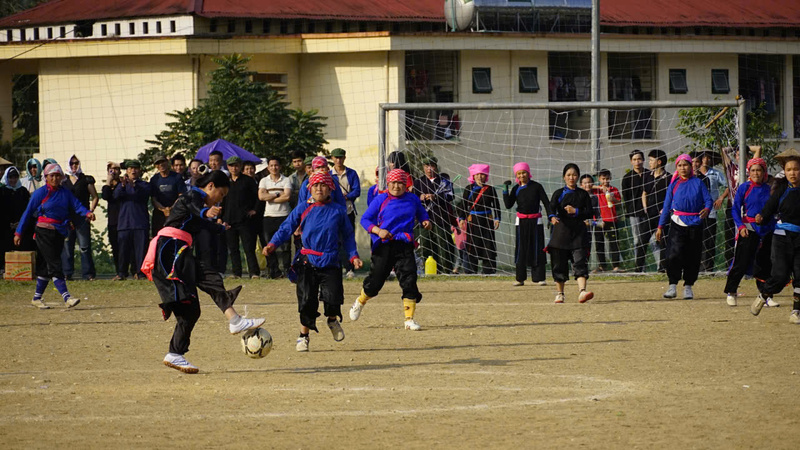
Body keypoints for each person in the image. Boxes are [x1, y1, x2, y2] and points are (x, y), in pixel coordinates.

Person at [141, 170, 265, 374]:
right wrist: (206, 212)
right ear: (211, 187)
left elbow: (200, 223)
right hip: (169, 251)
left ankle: (234, 321)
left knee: (207, 284)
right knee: (191, 304)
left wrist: (220, 227)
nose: (220, 200)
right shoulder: (192, 195)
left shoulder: (195, 206)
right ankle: (176, 352)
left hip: (179, 251)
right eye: (221, 194)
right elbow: (195, 207)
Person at [265, 171, 362, 351]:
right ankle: (303, 336)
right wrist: (273, 243)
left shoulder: (339, 211)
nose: (319, 188)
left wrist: (353, 255)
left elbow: (348, 236)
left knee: (334, 298)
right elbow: (287, 227)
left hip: (331, 260)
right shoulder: (303, 207)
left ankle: (332, 320)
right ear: (310, 188)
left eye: (323, 185)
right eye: (315, 185)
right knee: (307, 300)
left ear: (330, 188)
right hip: (307, 260)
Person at [350, 169, 430, 330]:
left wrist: (425, 221)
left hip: (404, 243)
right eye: (393, 182)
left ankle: (409, 319)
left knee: (409, 279)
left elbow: (422, 213)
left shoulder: (413, 199)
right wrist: (378, 231)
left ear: (406, 184)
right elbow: (365, 220)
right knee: (376, 282)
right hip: (384, 244)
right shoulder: (381, 199)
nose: (396, 186)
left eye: (400, 183)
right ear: (388, 183)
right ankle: (360, 301)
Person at [14, 163, 96, 309]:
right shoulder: (40, 193)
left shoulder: (65, 192)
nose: (55, 178)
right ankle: (67, 297)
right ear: (46, 177)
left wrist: (87, 213)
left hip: (59, 231)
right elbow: (27, 212)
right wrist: (18, 232)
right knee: (55, 263)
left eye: (58, 175)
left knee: (46, 266)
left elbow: (76, 205)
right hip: (43, 232)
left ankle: (36, 298)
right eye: (52, 175)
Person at [751, 148, 800, 323]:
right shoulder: (781, 189)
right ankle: (764, 294)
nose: (792, 173)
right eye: (789, 170)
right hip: (782, 237)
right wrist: (761, 217)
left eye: (796, 169)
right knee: (780, 277)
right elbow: (770, 207)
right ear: (784, 172)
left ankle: (796, 312)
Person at [654, 154, 713, 300]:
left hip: (695, 223)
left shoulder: (699, 183)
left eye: (685, 165)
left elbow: (708, 200)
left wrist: (706, 209)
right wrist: (660, 226)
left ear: (690, 166)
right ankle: (672, 285)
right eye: (679, 165)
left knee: (692, 256)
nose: (683, 168)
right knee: (673, 254)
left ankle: (688, 286)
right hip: (677, 221)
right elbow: (667, 205)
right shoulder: (674, 184)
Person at [724, 158, 775, 307]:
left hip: (767, 229)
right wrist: (740, 226)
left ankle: (766, 295)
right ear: (748, 172)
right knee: (741, 261)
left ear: (764, 172)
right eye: (753, 170)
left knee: (765, 263)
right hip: (748, 228)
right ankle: (731, 291)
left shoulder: (770, 189)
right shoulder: (744, 187)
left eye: (759, 170)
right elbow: (735, 209)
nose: (756, 173)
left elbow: (774, 209)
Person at [548, 163, 594, 304]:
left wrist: (576, 212)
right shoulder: (558, 193)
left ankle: (582, 292)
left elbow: (590, 212)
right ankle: (560, 294)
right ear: (564, 177)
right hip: (560, 234)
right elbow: (550, 209)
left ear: (578, 177)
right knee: (559, 264)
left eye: (574, 175)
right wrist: (552, 217)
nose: (571, 177)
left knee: (580, 261)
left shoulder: (583, 194)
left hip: (578, 233)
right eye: (568, 175)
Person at [502, 161, 551, 286]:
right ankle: (520, 278)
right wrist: (505, 190)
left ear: (528, 173)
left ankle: (539, 277)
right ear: (516, 175)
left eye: (524, 173)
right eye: (519, 173)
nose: (522, 175)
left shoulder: (537, 186)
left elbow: (546, 202)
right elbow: (508, 205)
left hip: (536, 221)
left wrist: (551, 216)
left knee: (538, 248)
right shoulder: (516, 188)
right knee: (521, 249)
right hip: (521, 221)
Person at [413, 156, 457, 275]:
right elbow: (412, 198)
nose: (429, 169)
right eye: (426, 166)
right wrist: (420, 197)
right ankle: (428, 270)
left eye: (431, 166)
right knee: (426, 244)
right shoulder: (418, 182)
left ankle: (446, 270)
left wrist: (435, 197)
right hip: (424, 219)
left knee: (443, 244)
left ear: (436, 167)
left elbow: (450, 196)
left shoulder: (444, 181)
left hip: (441, 218)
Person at [457, 164, 500, 274]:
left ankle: (488, 270)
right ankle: (471, 270)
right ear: (473, 176)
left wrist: (497, 218)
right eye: (478, 174)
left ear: (486, 176)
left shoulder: (490, 189)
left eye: (482, 174)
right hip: (473, 220)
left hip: (487, 220)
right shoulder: (468, 189)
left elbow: (496, 204)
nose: (480, 177)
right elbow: (463, 204)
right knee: (472, 244)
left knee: (488, 244)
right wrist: (462, 218)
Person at [61, 154, 98, 281]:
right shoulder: (63, 180)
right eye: (72, 163)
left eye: (76, 163)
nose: (74, 165)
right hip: (67, 218)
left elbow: (95, 197)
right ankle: (67, 273)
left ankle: (88, 273)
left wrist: (90, 211)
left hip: (82, 218)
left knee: (84, 246)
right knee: (67, 246)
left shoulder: (85, 179)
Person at [222, 156, 260, 279]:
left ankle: (254, 272)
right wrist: (221, 217)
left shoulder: (248, 181)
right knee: (233, 249)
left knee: (248, 248)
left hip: (245, 220)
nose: (234, 168)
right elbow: (221, 201)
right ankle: (236, 273)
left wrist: (255, 210)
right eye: (231, 165)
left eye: (236, 165)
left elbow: (257, 197)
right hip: (229, 219)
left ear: (240, 166)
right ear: (228, 167)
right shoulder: (225, 182)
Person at [114, 160, 151, 280]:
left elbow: (143, 195)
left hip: (140, 223)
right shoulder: (121, 185)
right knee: (123, 250)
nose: (133, 171)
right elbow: (116, 196)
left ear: (139, 170)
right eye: (130, 169)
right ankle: (121, 273)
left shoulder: (144, 185)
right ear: (127, 171)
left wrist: (133, 184)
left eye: (135, 168)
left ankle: (140, 273)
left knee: (141, 251)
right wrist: (124, 185)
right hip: (124, 223)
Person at [259, 156, 293, 279]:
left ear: (280, 166)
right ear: (268, 167)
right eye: (271, 165)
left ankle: (288, 270)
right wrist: (278, 193)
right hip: (268, 216)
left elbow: (287, 197)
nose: (274, 168)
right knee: (269, 245)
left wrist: (270, 196)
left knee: (285, 246)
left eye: (276, 165)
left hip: (284, 215)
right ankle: (273, 271)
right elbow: (261, 197)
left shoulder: (286, 180)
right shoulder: (264, 181)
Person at [330, 148, 361, 278]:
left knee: (348, 239)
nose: (338, 160)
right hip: (333, 212)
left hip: (348, 211)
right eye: (336, 157)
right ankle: (336, 266)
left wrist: (346, 197)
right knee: (334, 240)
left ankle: (349, 268)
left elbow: (357, 190)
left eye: (341, 157)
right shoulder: (329, 174)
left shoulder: (351, 173)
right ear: (332, 158)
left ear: (344, 158)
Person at [695, 150, 728, 272]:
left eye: (709, 158)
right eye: (704, 158)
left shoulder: (716, 174)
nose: (707, 160)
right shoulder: (694, 176)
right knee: (697, 239)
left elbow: (728, 186)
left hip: (711, 210)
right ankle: (696, 266)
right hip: (696, 211)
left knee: (709, 239)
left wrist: (721, 198)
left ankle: (708, 268)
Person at [642, 149, 671, 272]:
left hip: (663, 214)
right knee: (642, 240)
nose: (649, 163)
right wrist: (646, 208)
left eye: (651, 160)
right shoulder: (647, 176)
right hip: (649, 214)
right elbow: (644, 193)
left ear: (659, 162)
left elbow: (672, 195)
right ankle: (638, 268)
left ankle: (663, 267)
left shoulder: (669, 177)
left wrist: (665, 209)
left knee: (664, 240)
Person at [621, 150, 650, 273]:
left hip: (649, 212)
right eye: (634, 159)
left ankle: (660, 266)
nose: (637, 162)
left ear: (643, 160)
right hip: (634, 213)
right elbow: (626, 196)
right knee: (637, 240)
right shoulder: (627, 178)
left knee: (654, 240)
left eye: (639, 159)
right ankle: (639, 268)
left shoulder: (650, 174)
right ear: (631, 161)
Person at [1, 167, 32, 271]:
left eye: (15, 177)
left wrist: (19, 223)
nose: (13, 180)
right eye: (10, 177)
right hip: (6, 226)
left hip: (20, 226)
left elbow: (26, 209)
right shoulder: (2, 192)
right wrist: (9, 223)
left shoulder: (23, 191)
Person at [592, 169, 622, 273]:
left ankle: (616, 266)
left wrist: (613, 199)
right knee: (599, 243)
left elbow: (619, 203)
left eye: (607, 179)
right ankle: (602, 266)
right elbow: (586, 187)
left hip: (612, 219)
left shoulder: (614, 190)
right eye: (603, 179)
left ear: (610, 178)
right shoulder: (596, 190)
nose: (605, 181)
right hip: (599, 220)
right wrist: (600, 187)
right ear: (599, 179)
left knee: (614, 243)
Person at [150, 154, 186, 237]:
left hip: (176, 213)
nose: (161, 165)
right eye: (158, 163)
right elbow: (154, 199)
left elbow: (181, 196)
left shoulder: (177, 177)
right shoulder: (154, 179)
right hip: (159, 215)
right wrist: (163, 210)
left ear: (167, 162)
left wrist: (171, 209)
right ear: (156, 166)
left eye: (163, 161)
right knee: (159, 237)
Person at [101, 161, 126, 279]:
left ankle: (128, 271)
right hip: (113, 221)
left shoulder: (123, 184)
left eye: (116, 169)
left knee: (126, 248)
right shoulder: (107, 186)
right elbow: (105, 196)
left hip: (124, 219)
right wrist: (108, 181)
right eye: (111, 169)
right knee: (115, 247)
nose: (114, 171)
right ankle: (119, 272)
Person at [580, 174, 602, 269]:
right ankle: (576, 265)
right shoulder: (578, 195)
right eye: (585, 183)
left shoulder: (594, 198)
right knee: (578, 246)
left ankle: (584, 266)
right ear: (581, 185)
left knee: (588, 244)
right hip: (578, 225)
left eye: (589, 182)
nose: (587, 185)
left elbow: (597, 212)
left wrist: (598, 221)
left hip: (589, 225)